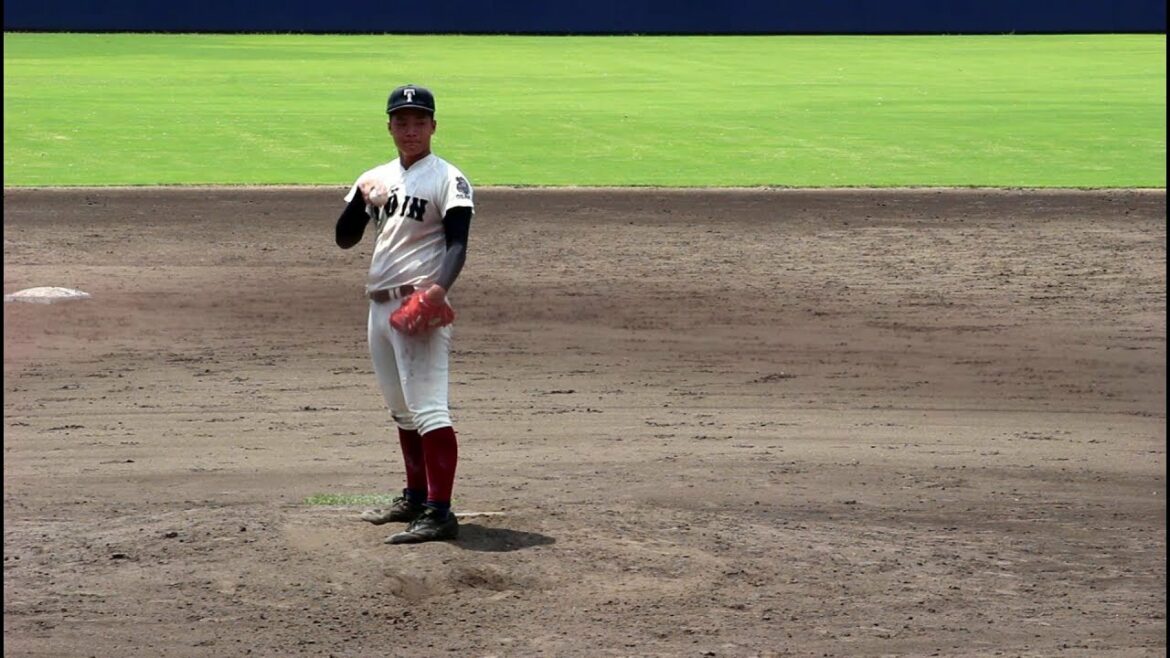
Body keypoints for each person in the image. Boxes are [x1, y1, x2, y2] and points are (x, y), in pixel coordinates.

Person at [335, 84, 474, 545]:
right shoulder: (374, 177)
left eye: (419, 122)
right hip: (378, 306)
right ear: (389, 126)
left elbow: (458, 244)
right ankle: (416, 498)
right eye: (401, 122)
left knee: (429, 409)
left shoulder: (448, 178)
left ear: (433, 126)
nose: (410, 130)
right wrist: (362, 199)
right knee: (402, 410)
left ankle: (440, 512)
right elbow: (344, 239)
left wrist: (438, 291)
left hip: (419, 303)